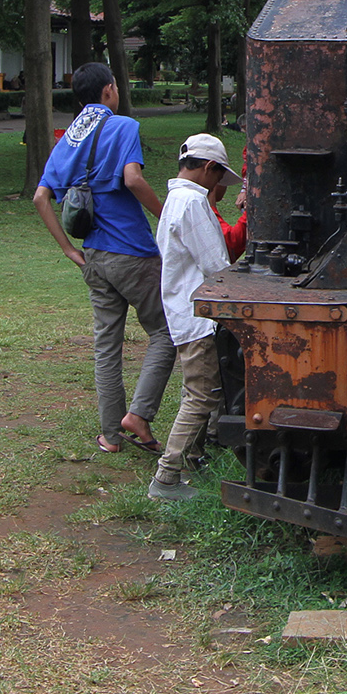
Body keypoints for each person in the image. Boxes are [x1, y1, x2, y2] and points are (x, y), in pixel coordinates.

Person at [33, 63, 174, 456]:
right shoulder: (123, 126)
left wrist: (67, 249)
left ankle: (111, 436)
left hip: (93, 258)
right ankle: (139, 415)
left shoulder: (65, 143)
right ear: (109, 90)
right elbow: (132, 178)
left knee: (106, 347)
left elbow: (40, 198)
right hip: (133, 253)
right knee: (165, 332)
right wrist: (168, 217)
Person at [146, 133, 237, 501]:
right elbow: (216, 266)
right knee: (201, 395)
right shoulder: (193, 203)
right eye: (218, 178)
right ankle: (166, 477)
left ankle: (195, 458)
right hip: (197, 316)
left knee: (201, 391)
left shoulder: (175, 198)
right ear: (209, 168)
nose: (219, 187)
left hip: (185, 312)